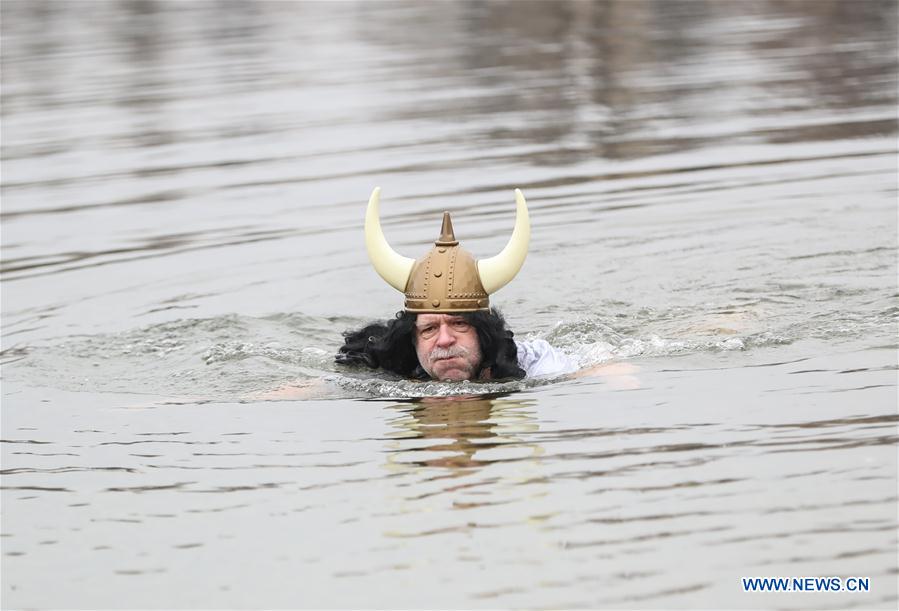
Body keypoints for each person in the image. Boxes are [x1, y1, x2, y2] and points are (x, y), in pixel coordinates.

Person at [336, 187, 578, 382]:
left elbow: (597, 373)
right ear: (413, 340)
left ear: (484, 335)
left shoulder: (538, 364)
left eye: (459, 323)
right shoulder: (387, 375)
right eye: (429, 329)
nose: (444, 340)